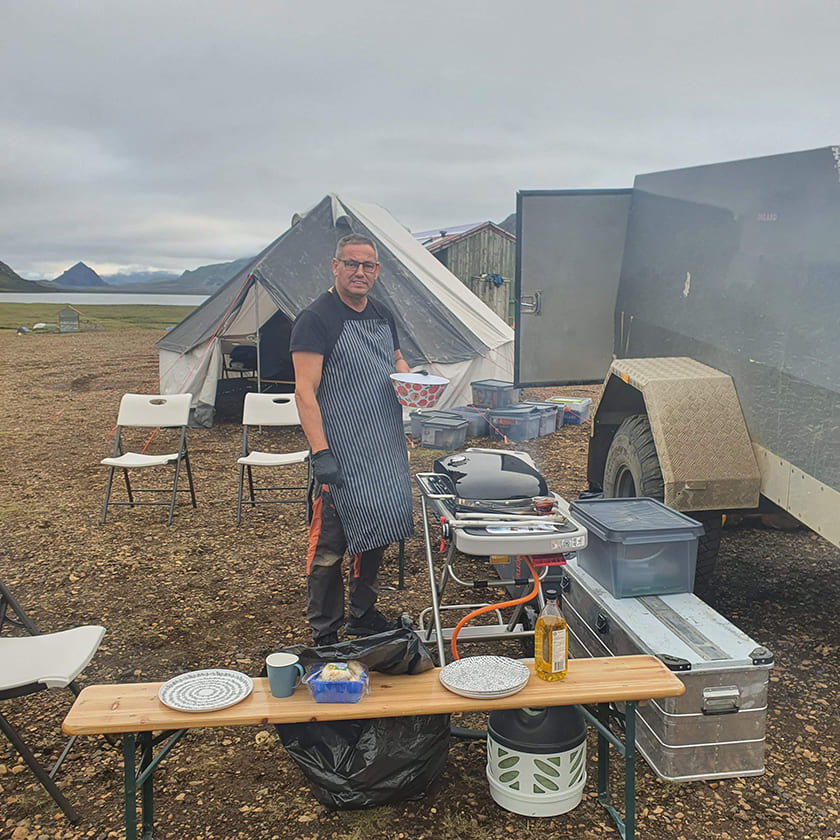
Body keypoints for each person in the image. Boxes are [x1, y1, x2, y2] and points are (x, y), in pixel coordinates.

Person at [290, 233, 414, 646]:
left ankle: (362, 617)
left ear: (377, 271)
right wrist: (320, 453)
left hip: (382, 445)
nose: (360, 272)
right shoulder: (316, 318)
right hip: (339, 449)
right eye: (352, 264)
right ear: (335, 266)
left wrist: (411, 382)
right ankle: (325, 631)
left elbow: (395, 360)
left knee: (375, 531)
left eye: (368, 266)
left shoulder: (381, 313)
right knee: (328, 547)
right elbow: (304, 391)